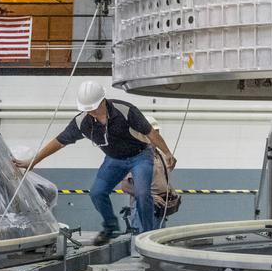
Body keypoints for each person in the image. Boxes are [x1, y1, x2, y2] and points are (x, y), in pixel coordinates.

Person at [13, 81, 176, 244]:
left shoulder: (125, 111)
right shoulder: (82, 122)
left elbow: (151, 133)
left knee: (142, 193)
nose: (91, 112)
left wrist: (167, 152)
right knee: (97, 192)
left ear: (103, 100)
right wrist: (33, 161)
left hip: (140, 156)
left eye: (94, 108)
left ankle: (146, 235)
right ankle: (111, 227)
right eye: (87, 109)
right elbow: (59, 141)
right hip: (114, 159)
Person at [118, 113, 181, 229]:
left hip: (159, 209)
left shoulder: (159, 154)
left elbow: (162, 177)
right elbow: (125, 186)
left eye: (157, 132)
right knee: (142, 242)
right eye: (153, 133)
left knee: (157, 242)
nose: (156, 136)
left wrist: (171, 191)